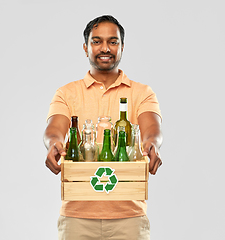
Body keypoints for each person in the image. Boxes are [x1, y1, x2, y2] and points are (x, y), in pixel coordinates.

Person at [44, 15, 163, 240]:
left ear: (122, 47)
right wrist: (54, 145)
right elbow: (54, 129)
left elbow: (152, 130)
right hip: (77, 217)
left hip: (129, 217)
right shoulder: (67, 93)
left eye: (113, 41)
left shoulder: (141, 93)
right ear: (85, 47)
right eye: (97, 41)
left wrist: (151, 145)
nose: (105, 48)